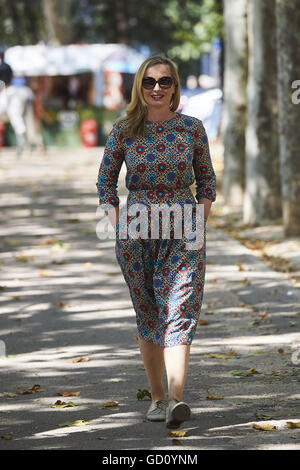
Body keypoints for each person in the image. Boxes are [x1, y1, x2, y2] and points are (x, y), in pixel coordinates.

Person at [96, 55, 216, 429]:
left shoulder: (192, 129)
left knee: (179, 312)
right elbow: (105, 184)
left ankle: (176, 401)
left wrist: (199, 219)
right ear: (140, 88)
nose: (157, 88)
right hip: (137, 234)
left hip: (184, 232)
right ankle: (157, 399)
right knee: (149, 315)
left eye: (164, 82)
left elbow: (207, 181)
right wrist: (119, 225)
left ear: (175, 87)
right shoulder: (124, 129)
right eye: (149, 82)